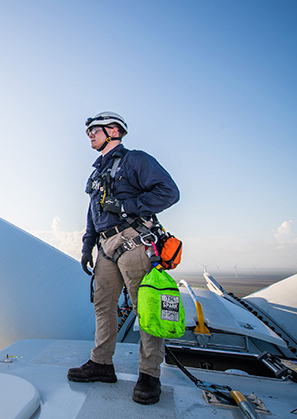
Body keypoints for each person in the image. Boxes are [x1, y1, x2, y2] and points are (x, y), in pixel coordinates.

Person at [68, 111, 179, 405]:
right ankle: (101, 364)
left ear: (114, 130)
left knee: (146, 310)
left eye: (95, 129)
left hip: (132, 241)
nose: (90, 134)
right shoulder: (96, 173)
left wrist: (128, 205)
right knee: (104, 307)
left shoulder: (136, 160)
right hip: (105, 247)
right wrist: (87, 245)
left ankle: (149, 375)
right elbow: (93, 214)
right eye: (89, 131)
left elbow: (169, 192)